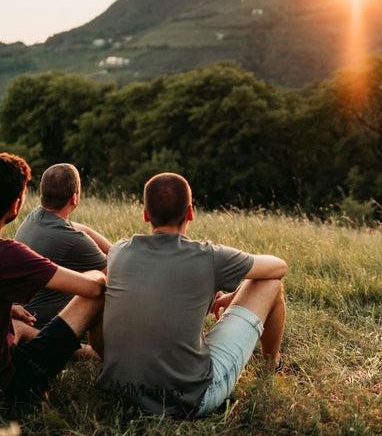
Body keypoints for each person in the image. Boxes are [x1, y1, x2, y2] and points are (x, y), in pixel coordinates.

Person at [96, 172, 287, 418]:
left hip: (122, 393)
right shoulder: (209, 256)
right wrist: (239, 288)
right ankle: (272, 365)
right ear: (190, 212)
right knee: (271, 284)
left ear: (145, 215)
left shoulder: (120, 251)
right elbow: (279, 267)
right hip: (188, 401)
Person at [0, 153, 106, 406]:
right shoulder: (7, 255)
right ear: (15, 205)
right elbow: (91, 288)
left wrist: (10, 308)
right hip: (2, 387)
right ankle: (110, 365)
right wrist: (98, 276)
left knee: (20, 325)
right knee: (96, 284)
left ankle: (85, 353)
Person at [15, 163, 111, 330]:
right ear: (74, 198)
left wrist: (112, 248)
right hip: (42, 325)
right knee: (104, 286)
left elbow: (79, 228)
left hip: (23, 314)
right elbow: (116, 272)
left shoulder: (35, 216)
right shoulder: (73, 240)